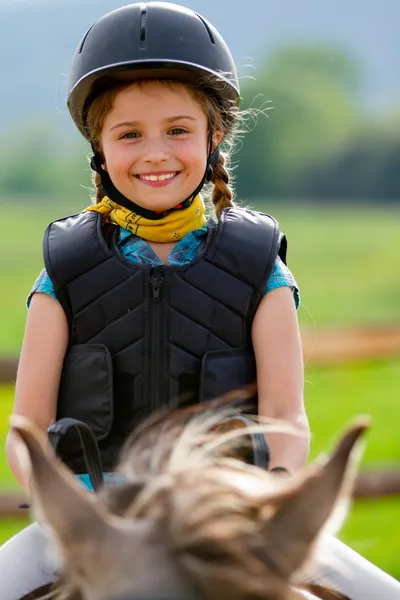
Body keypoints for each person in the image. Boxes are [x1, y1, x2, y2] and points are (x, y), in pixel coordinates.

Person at [0, 3, 398, 599]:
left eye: (177, 130)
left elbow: (287, 417)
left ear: (213, 139)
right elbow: (26, 425)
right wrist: (73, 514)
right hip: (94, 519)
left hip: (232, 517)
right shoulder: (64, 269)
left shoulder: (260, 266)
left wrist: (264, 506)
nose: (156, 152)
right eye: (130, 134)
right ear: (100, 150)